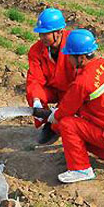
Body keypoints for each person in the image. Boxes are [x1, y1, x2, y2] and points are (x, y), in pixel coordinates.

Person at [45, 29, 104, 184]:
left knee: (67, 125)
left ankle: (80, 169)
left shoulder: (83, 82)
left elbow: (65, 111)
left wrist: (52, 116)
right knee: (81, 131)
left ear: (81, 57)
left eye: (69, 56)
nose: (67, 59)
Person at [27, 8, 75, 145]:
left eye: (45, 34)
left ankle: (55, 125)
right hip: (54, 89)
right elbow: (34, 79)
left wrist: (64, 107)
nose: (41, 38)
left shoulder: (73, 45)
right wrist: (36, 100)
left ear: (59, 32)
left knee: (69, 120)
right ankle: (47, 119)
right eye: (40, 34)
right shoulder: (36, 50)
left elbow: (82, 79)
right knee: (35, 92)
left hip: (73, 91)